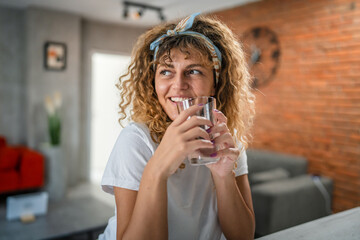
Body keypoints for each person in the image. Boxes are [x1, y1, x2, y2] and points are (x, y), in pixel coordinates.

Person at [99, 12, 256, 240]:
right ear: (153, 82)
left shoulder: (227, 140)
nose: (178, 85)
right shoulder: (137, 140)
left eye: (193, 71)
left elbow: (243, 237)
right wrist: (158, 168)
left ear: (215, 82)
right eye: (166, 71)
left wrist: (224, 175)